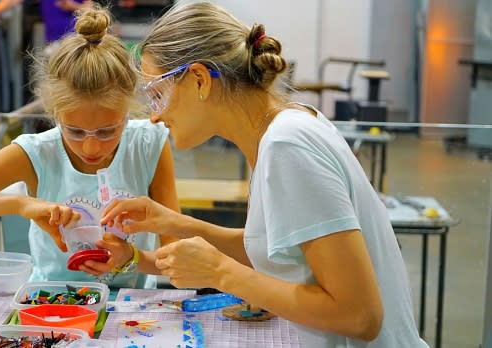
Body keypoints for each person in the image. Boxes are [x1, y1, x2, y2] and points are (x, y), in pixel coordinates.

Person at [100, 2, 427, 347]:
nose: (154, 116)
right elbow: (285, 252)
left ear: (198, 79)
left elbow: (360, 316)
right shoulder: (287, 125)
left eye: (157, 95)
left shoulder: (287, 145)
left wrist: (220, 272)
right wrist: (177, 224)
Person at [0, 7, 179, 289]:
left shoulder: (148, 144)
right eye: (75, 131)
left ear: (128, 112)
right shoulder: (36, 153)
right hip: (53, 304)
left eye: (108, 130)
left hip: (130, 309)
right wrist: (19, 203)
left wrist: (131, 257)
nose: (92, 145)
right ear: (55, 113)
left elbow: (177, 261)